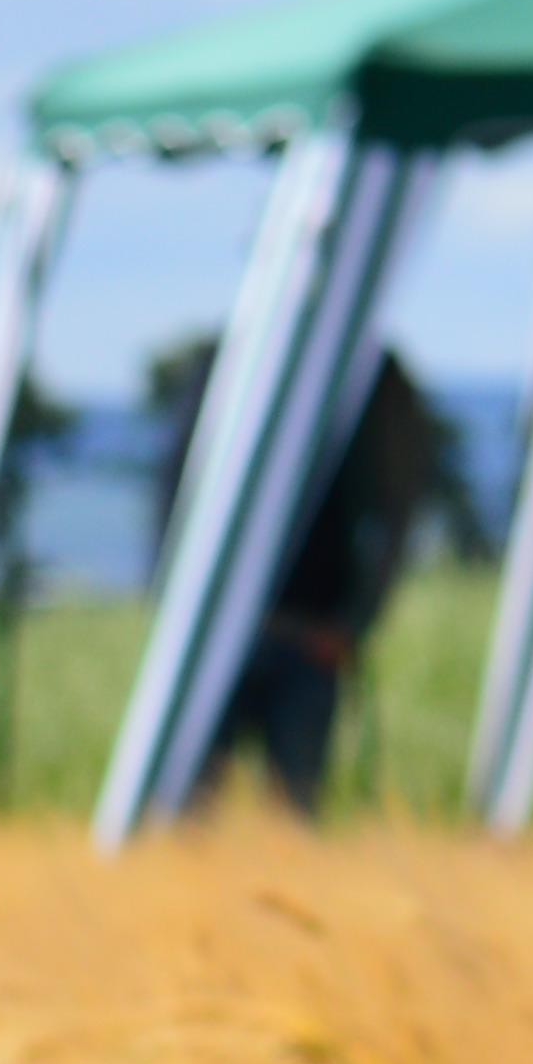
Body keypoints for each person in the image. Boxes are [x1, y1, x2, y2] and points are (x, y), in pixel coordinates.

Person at [203, 350, 448, 820]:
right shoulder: (229, 358)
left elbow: (396, 505)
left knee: (294, 805)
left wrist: (351, 624)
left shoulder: (370, 371)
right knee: (188, 808)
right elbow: (176, 493)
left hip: (312, 634)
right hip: (225, 637)